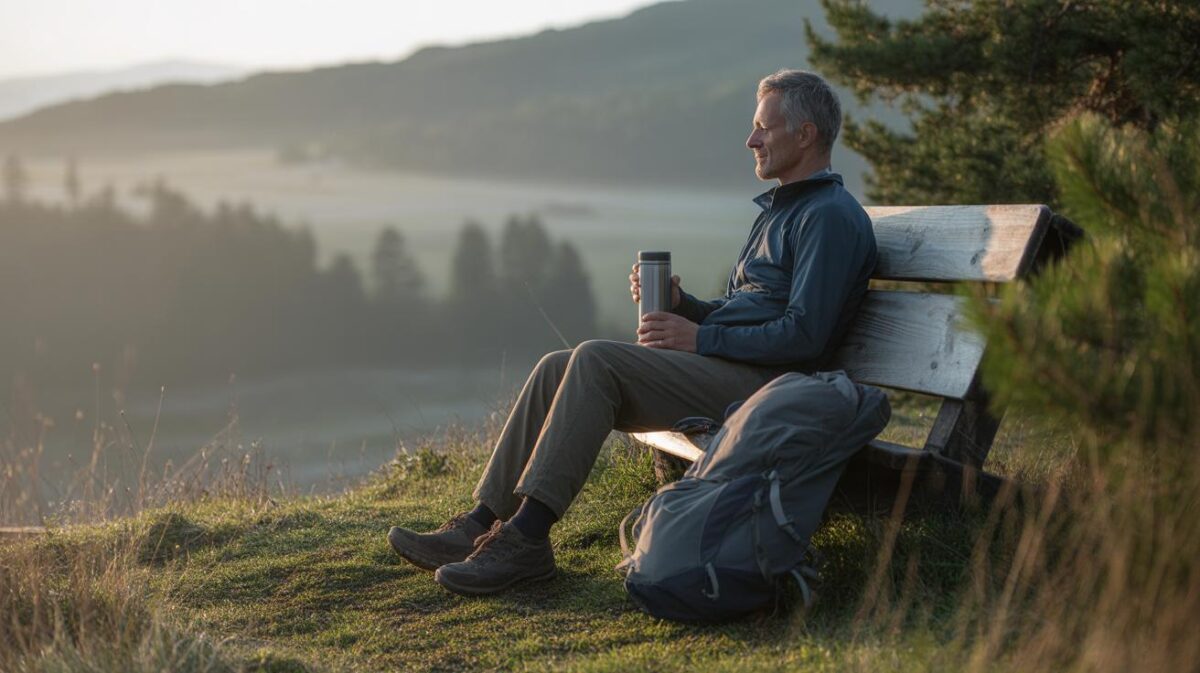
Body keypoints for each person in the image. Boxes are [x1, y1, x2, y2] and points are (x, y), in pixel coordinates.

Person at [387, 69, 878, 596]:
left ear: (805, 134)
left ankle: (527, 540)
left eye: (764, 128)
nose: (751, 140)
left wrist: (698, 339)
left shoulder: (826, 217)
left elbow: (806, 337)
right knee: (560, 364)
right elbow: (746, 311)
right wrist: (683, 306)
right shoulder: (781, 211)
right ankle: (480, 524)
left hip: (774, 391)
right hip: (738, 372)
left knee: (598, 359)